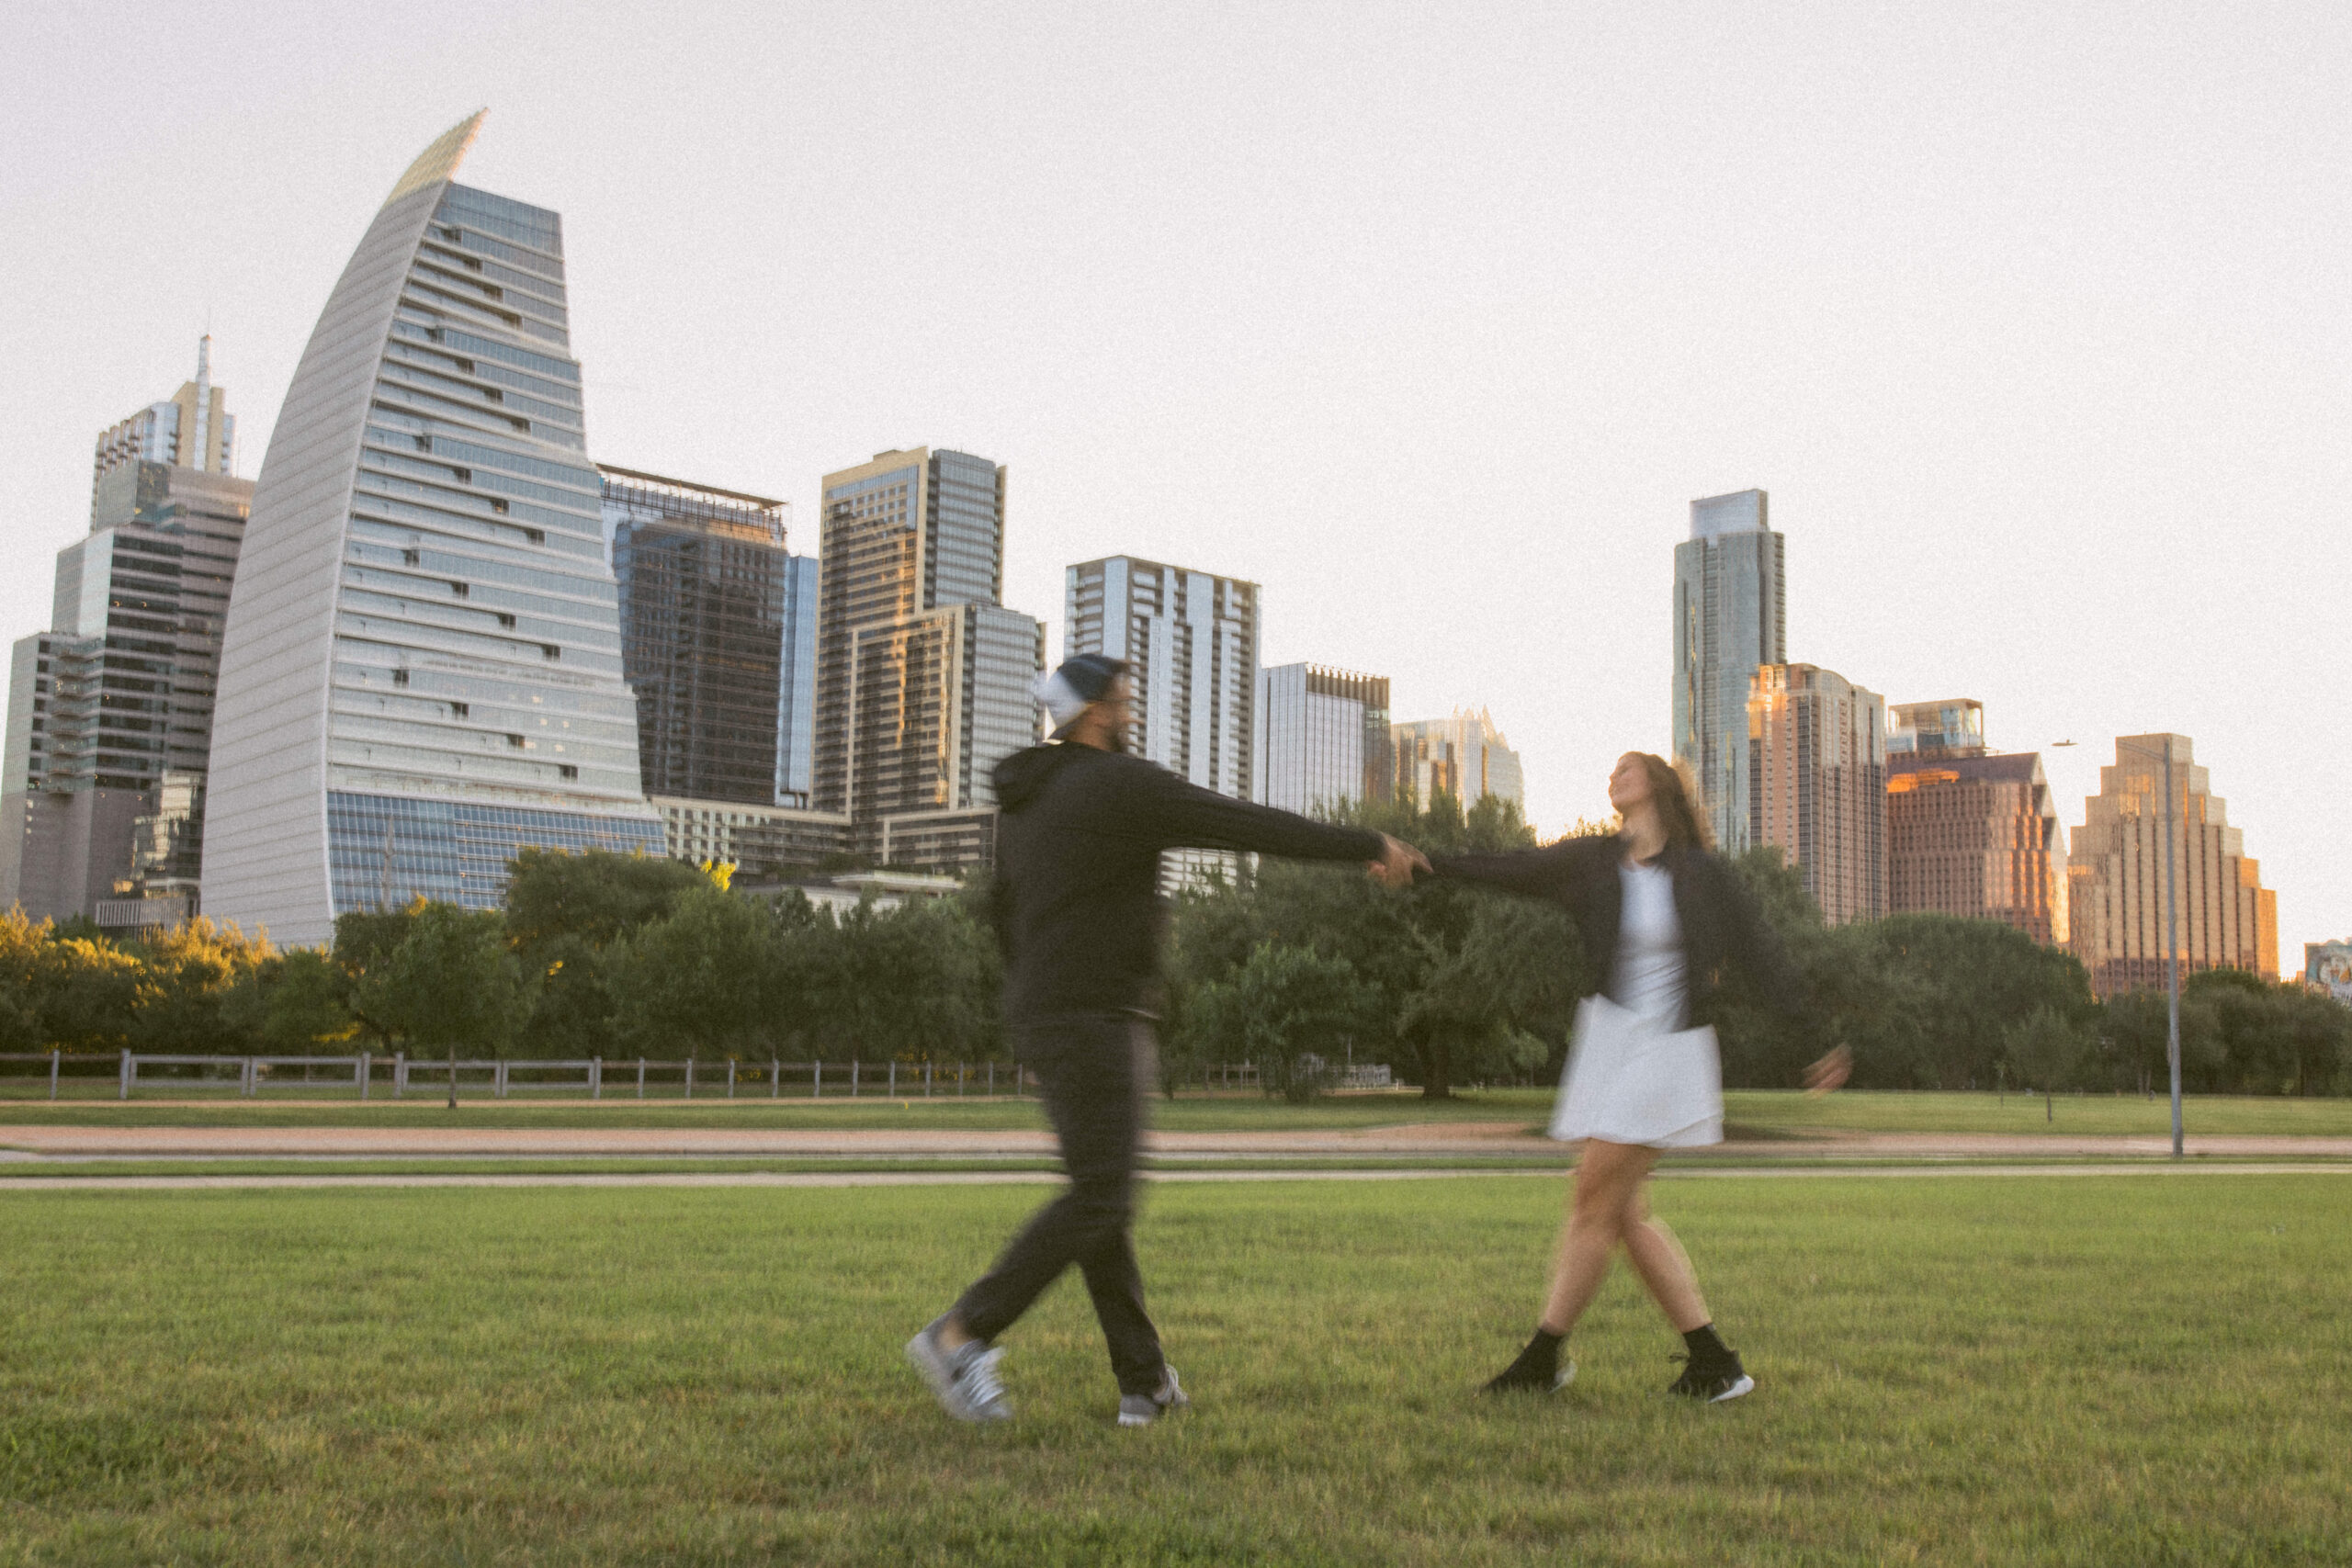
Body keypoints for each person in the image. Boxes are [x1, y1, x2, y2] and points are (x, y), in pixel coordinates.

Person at [907, 653, 1426, 1427]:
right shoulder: (1127, 786)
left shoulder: (1026, 802)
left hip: (1046, 1012)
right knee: (1103, 1194)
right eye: (1122, 699)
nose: (1132, 711)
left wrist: (1035, 996)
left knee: (1099, 1199)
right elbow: (1246, 821)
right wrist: (1364, 843)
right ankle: (961, 1332)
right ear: (1092, 713)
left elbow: (1000, 910)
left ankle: (1144, 1382)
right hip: (1097, 1015)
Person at [1421, 751, 1848, 1404]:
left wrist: (1814, 1038)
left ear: (1657, 784)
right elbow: (1513, 868)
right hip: (1609, 1039)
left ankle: (1543, 1359)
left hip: (1667, 1047)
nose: (1614, 775)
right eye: (1611, 769)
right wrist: (1431, 863)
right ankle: (1713, 1361)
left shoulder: (1704, 874)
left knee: (1594, 1201)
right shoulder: (1593, 861)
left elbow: (1763, 953)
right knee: (1620, 1211)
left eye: (1628, 767)